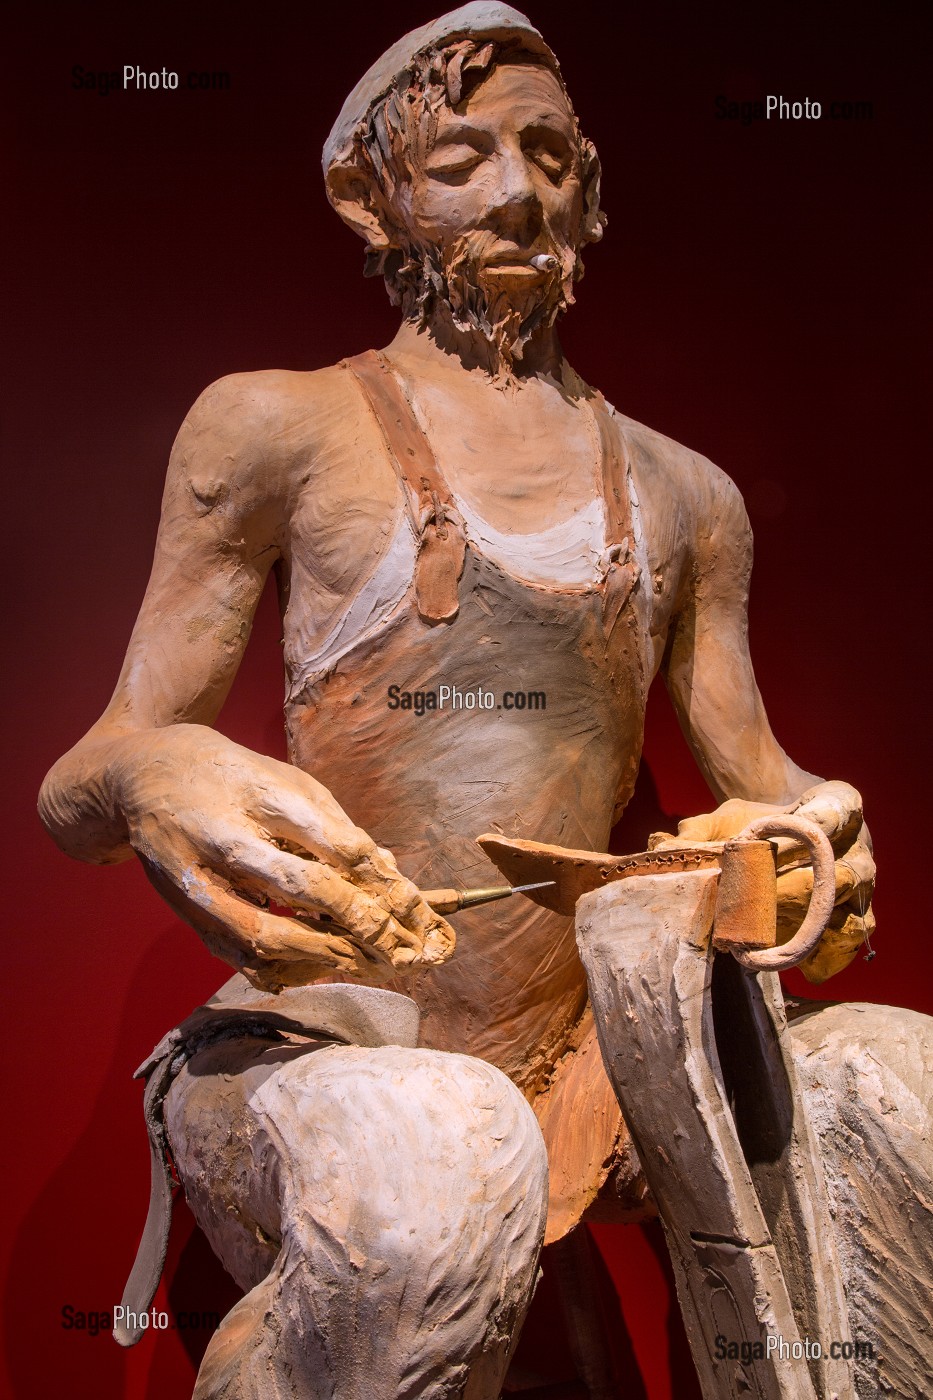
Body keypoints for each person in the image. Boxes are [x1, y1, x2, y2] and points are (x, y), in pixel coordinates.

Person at [39, 5, 885, 1395]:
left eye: (548, 156)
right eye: (461, 156)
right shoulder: (276, 426)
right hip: (335, 1039)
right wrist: (153, 771)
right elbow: (84, 786)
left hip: (606, 1048)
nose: (514, 192)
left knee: (903, 1104)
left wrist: (815, 845)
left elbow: (760, 775)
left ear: (591, 192)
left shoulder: (686, 496)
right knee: (436, 1167)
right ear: (368, 197)